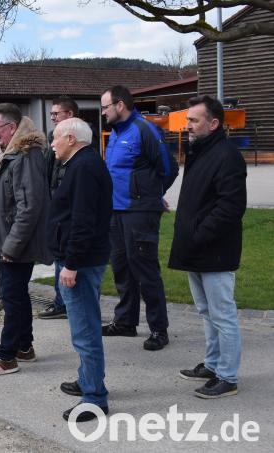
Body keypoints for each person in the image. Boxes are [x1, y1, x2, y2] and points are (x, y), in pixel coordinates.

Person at [170, 95, 247, 399]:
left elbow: (231, 206)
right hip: (196, 247)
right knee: (206, 311)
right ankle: (213, 365)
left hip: (214, 250)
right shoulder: (199, 151)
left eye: (194, 120)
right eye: (187, 119)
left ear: (213, 124)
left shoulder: (227, 156)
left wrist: (200, 233)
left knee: (222, 314)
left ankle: (227, 377)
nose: (187, 125)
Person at [0, 103, 52, 377]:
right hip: (9, 241)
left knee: (11, 298)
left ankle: (6, 356)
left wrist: (10, 247)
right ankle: (24, 346)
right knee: (17, 295)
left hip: (15, 245)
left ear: (12, 127)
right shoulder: (11, 152)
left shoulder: (26, 156)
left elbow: (29, 207)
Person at [100, 85, 178, 351]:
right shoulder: (115, 133)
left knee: (145, 270)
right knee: (121, 268)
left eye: (105, 107)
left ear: (120, 105)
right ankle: (125, 321)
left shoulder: (145, 130)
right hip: (115, 212)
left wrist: (152, 196)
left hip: (139, 212)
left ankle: (159, 328)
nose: (102, 112)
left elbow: (169, 168)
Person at [47, 118, 113, 422]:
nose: (52, 145)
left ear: (71, 138)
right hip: (81, 258)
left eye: (55, 139)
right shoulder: (81, 164)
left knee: (85, 330)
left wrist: (71, 263)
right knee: (84, 326)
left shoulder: (84, 168)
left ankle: (95, 398)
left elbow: (83, 221)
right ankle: (88, 380)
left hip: (82, 262)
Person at [38, 96, 78, 320]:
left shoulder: (77, 146)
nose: (52, 117)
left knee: (68, 259)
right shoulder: (54, 146)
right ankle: (61, 301)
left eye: (56, 113)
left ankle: (66, 303)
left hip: (68, 213)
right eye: (51, 114)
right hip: (56, 211)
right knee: (59, 258)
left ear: (69, 115)